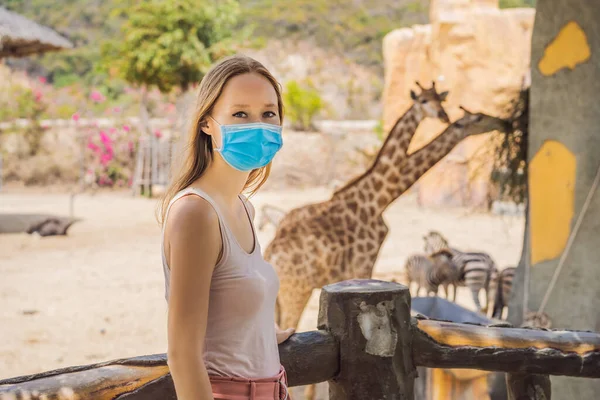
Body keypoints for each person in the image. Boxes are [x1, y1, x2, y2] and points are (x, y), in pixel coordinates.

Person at [157, 54, 295, 400]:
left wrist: (263, 330)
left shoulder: (243, 208)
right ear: (206, 123)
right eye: (239, 114)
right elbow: (183, 354)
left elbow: (230, 303)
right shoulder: (196, 213)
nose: (258, 125)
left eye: (268, 114)